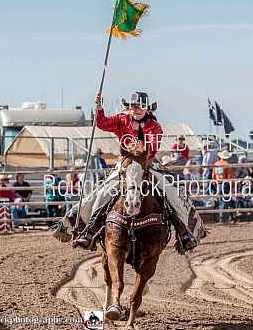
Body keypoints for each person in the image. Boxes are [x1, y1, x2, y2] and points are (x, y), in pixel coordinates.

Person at [69, 91, 205, 252]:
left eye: (140, 106)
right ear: (129, 107)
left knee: (171, 192)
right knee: (101, 193)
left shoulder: (155, 127)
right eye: (134, 106)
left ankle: (184, 232)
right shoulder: (122, 119)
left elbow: (152, 150)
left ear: (147, 109)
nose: (137, 109)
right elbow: (102, 123)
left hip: (147, 163)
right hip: (124, 164)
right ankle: (90, 229)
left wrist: (140, 153)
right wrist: (99, 108)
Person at [213, 149, 234, 223]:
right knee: (225, 201)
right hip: (225, 184)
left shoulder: (216, 164)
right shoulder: (227, 164)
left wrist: (215, 184)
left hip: (218, 183)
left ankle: (221, 218)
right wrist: (233, 185)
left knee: (220, 201)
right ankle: (222, 218)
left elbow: (213, 176)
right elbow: (230, 176)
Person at [201, 140, 218, 206]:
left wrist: (204, 172)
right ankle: (213, 201)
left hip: (209, 170)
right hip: (210, 170)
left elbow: (208, 164)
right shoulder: (210, 152)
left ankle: (207, 202)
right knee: (212, 186)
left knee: (208, 186)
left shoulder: (209, 153)